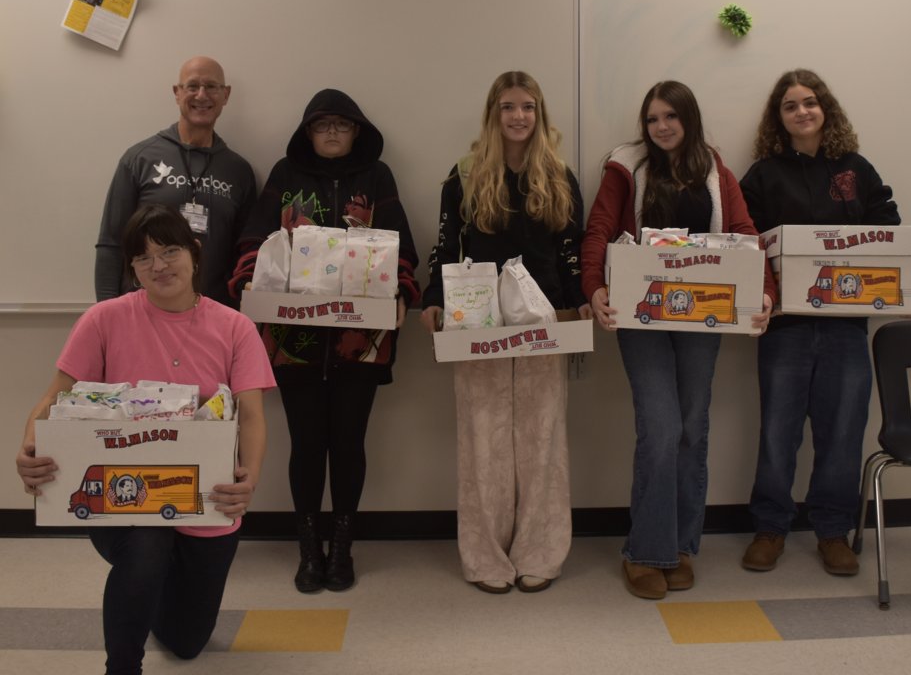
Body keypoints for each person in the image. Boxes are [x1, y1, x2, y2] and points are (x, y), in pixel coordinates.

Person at [16, 204, 275, 675]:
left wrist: (249, 478)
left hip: (206, 499)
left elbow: (253, 417)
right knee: (147, 546)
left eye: (170, 250)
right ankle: (123, 666)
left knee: (186, 641)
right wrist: (29, 448)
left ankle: (157, 590)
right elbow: (54, 397)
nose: (159, 266)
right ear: (131, 269)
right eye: (143, 258)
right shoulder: (103, 319)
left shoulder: (235, 327)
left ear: (194, 254)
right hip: (122, 495)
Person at [582, 80, 775, 600]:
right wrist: (594, 288)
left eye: (671, 116)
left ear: (688, 119)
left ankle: (682, 545)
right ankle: (646, 551)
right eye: (652, 118)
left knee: (693, 428)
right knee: (661, 427)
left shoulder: (716, 172)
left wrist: (765, 293)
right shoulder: (626, 167)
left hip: (703, 320)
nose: (661, 127)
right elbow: (598, 230)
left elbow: (744, 232)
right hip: (641, 317)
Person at [229, 88, 420, 594]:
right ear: (307, 132)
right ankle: (308, 547)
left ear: (357, 130)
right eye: (321, 125)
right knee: (307, 444)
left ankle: (343, 544)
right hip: (295, 340)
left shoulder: (376, 177)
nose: (332, 133)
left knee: (349, 443)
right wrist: (249, 281)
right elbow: (254, 240)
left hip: (361, 340)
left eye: (341, 125)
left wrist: (402, 290)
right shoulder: (285, 176)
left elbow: (401, 243)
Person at [420, 71, 592, 594]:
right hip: (478, 324)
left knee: (542, 441)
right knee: (483, 442)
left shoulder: (559, 174)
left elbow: (571, 251)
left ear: (540, 114)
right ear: (493, 112)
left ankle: (541, 550)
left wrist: (582, 298)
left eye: (529, 107)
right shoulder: (465, 174)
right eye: (509, 107)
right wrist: (433, 298)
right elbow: (447, 247)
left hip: (546, 324)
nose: (519, 117)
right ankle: (485, 556)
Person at [738, 68, 900, 577]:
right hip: (784, 326)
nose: (802, 111)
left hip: (846, 326)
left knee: (843, 430)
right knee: (778, 431)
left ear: (824, 108)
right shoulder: (763, 174)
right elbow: (742, 242)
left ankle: (833, 530)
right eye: (790, 105)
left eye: (809, 102)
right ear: (779, 118)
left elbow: (889, 231)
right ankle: (770, 527)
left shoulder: (856, 169)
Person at [95, 56, 257, 307]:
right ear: (177, 93)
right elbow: (111, 243)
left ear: (225, 95)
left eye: (212, 87)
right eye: (192, 86)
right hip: (143, 311)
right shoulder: (140, 158)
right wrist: (105, 312)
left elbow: (243, 255)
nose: (202, 95)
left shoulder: (239, 171)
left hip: (210, 314)